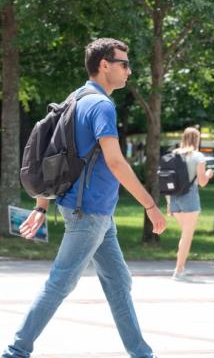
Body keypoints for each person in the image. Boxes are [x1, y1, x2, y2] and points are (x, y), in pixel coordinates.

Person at [2, 38, 167, 358]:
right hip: (88, 213)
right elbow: (116, 162)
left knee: (119, 282)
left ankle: (142, 354)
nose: (129, 71)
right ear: (104, 64)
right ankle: (16, 351)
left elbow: (54, 154)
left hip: (95, 213)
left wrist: (40, 203)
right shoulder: (101, 105)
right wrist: (150, 205)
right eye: (124, 64)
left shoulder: (76, 97)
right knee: (60, 283)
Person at [167, 127, 214, 280]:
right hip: (190, 199)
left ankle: (180, 269)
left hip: (174, 199)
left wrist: (168, 203)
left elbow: (167, 180)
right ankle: (178, 271)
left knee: (184, 234)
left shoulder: (173, 154)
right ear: (197, 139)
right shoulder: (198, 156)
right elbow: (201, 182)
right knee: (187, 236)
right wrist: (208, 174)